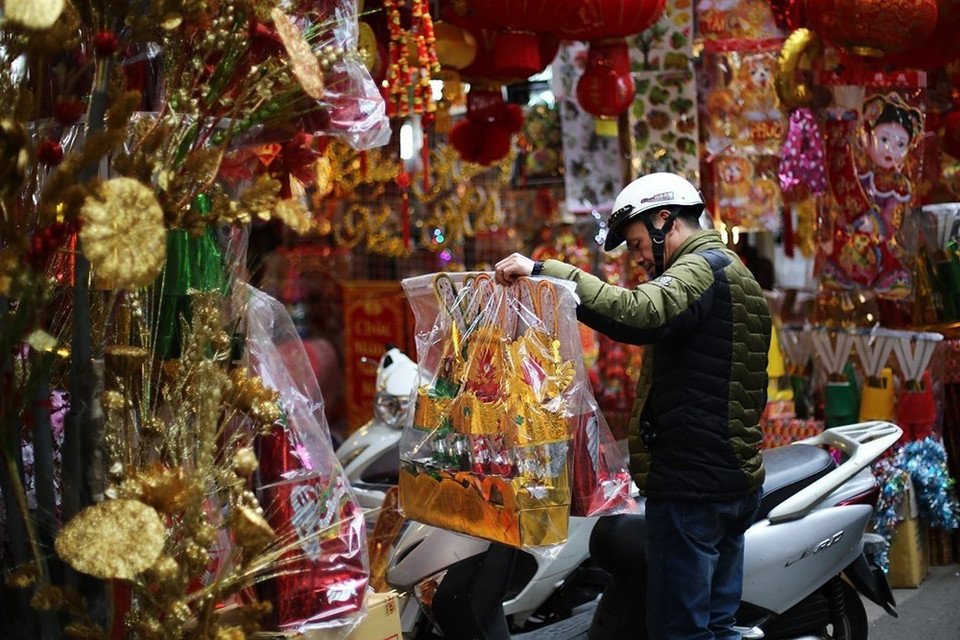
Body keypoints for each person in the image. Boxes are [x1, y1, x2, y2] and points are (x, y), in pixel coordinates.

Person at [495, 172, 770, 640]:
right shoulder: (733, 271)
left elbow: (639, 312)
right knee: (718, 627)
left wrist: (547, 273)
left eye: (639, 243)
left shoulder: (701, 268)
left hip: (693, 488)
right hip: (727, 480)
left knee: (679, 631)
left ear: (666, 219)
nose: (639, 258)